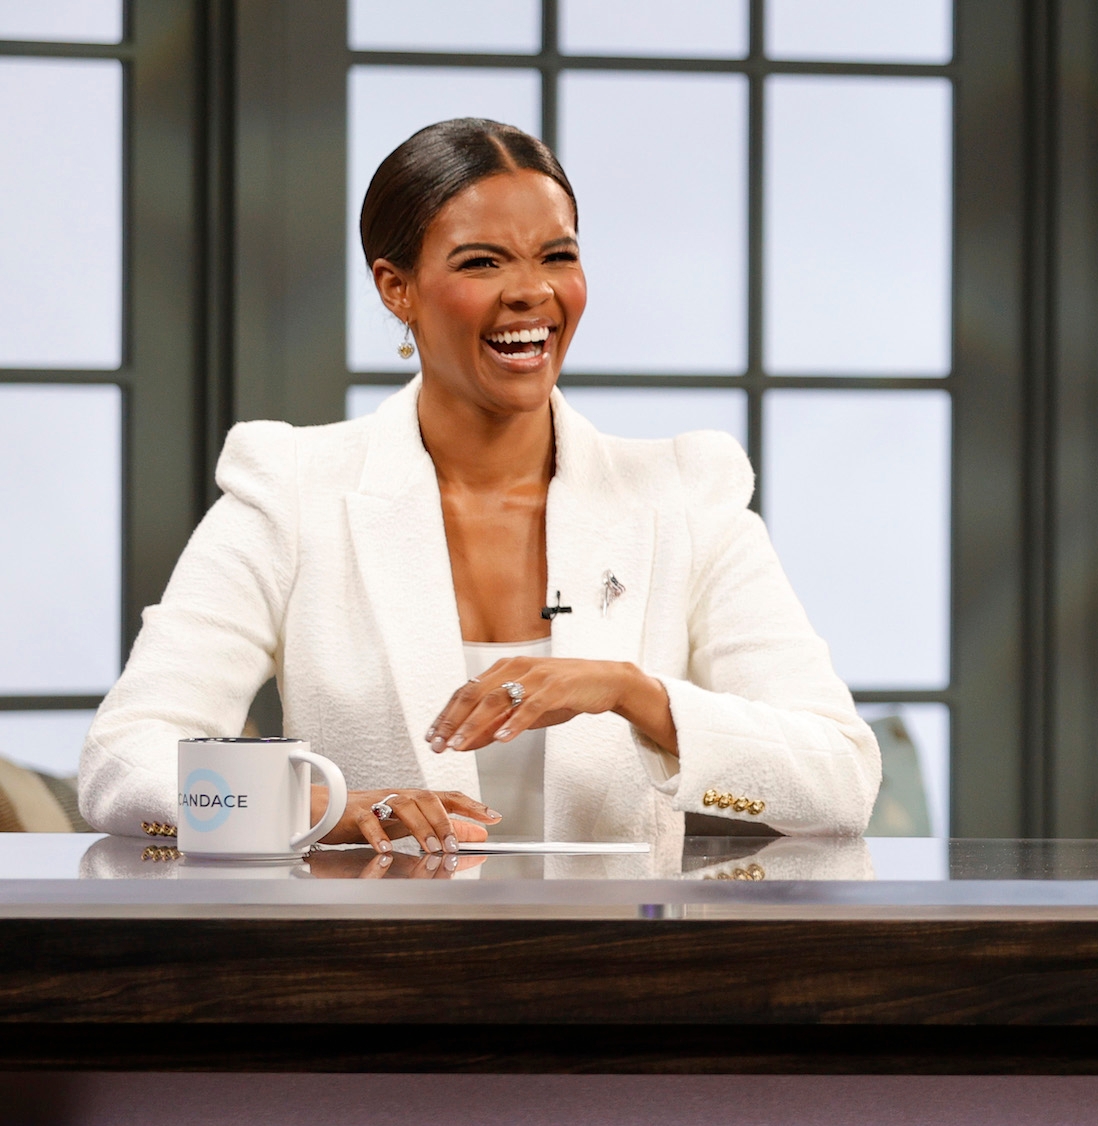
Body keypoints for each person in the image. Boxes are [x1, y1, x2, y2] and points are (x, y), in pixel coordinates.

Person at [81, 118, 880, 849]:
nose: (531, 291)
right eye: (482, 262)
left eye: (557, 256)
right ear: (397, 288)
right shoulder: (291, 491)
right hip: (362, 984)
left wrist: (631, 692)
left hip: (616, 981)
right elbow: (123, 761)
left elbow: (840, 779)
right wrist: (316, 807)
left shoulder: (685, 496)